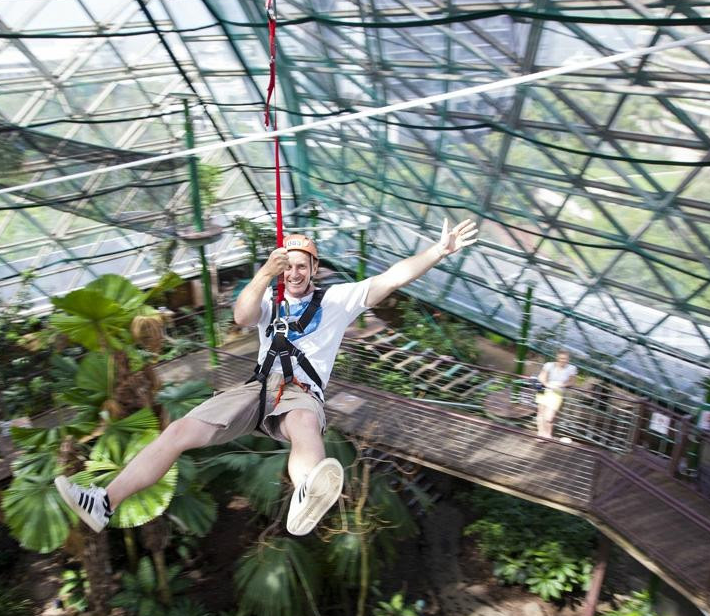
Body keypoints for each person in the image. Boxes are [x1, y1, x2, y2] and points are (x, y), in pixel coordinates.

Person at [56, 217, 478, 536]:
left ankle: (307, 489)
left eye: (302, 266)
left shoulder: (337, 300)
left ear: (314, 268)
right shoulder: (269, 303)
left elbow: (393, 277)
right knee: (179, 431)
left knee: (304, 422)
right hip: (257, 388)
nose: (294, 273)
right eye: (287, 267)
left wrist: (439, 251)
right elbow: (242, 317)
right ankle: (104, 503)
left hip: (299, 390)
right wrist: (262, 275)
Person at [536, 349, 577, 439]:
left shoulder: (572, 368)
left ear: (568, 359)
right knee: (541, 412)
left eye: (565, 359)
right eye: (561, 358)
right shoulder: (549, 365)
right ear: (557, 358)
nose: (563, 360)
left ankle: (548, 433)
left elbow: (572, 382)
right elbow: (541, 377)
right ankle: (541, 434)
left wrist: (562, 385)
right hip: (543, 388)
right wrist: (547, 385)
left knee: (549, 417)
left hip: (557, 392)